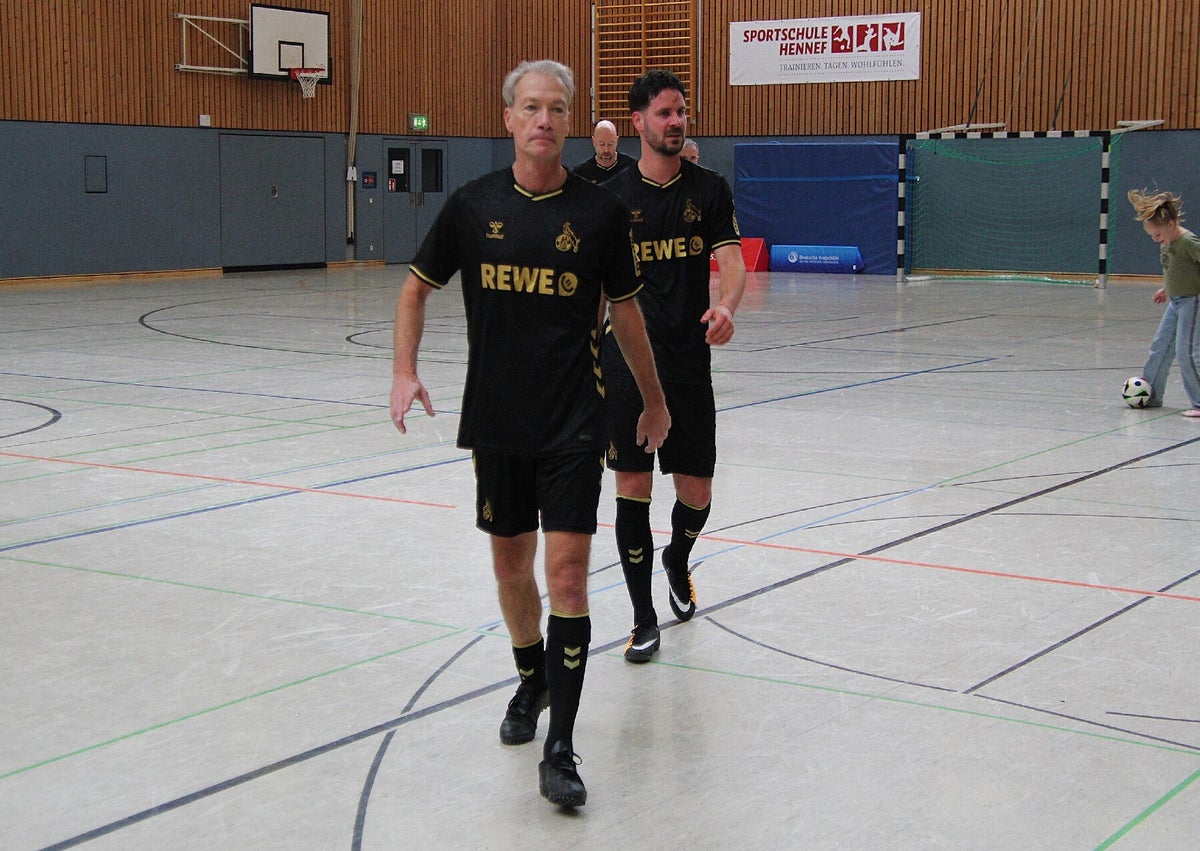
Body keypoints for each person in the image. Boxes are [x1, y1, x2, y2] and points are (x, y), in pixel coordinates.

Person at [389, 59, 670, 808]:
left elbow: (628, 314)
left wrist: (653, 401)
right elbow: (414, 290)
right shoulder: (472, 206)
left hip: (575, 422)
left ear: (569, 121)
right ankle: (531, 677)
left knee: (568, 578)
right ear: (509, 118)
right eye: (531, 107)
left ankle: (561, 748)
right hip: (497, 424)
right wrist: (404, 370)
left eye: (556, 108)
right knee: (512, 570)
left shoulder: (600, 214)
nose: (544, 119)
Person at [601, 70, 746, 663]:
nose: (676, 121)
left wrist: (726, 305)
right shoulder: (611, 198)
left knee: (697, 492)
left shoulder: (708, 190)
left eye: (681, 111)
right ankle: (642, 618)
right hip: (627, 361)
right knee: (632, 486)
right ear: (638, 122)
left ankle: (677, 557)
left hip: (687, 360)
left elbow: (732, 263)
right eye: (664, 113)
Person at [1127, 188, 1200, 417]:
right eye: (1151, 236)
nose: (1155, 239)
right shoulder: (1166, 241)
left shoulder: (1188, 241)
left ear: (1171, 224)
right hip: (1176, 301)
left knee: (1186, 352)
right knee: (1160, 347)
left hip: (1193, 301)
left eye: (1157, 234)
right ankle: (1151, 395)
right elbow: (1176, 269)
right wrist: (1167, 289)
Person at [572, 119, 636, 183]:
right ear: (594, 141)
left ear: (617, 141)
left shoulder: (632, 167)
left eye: (610, 144)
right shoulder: (580, 174)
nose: (606, 150)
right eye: (602, 144)